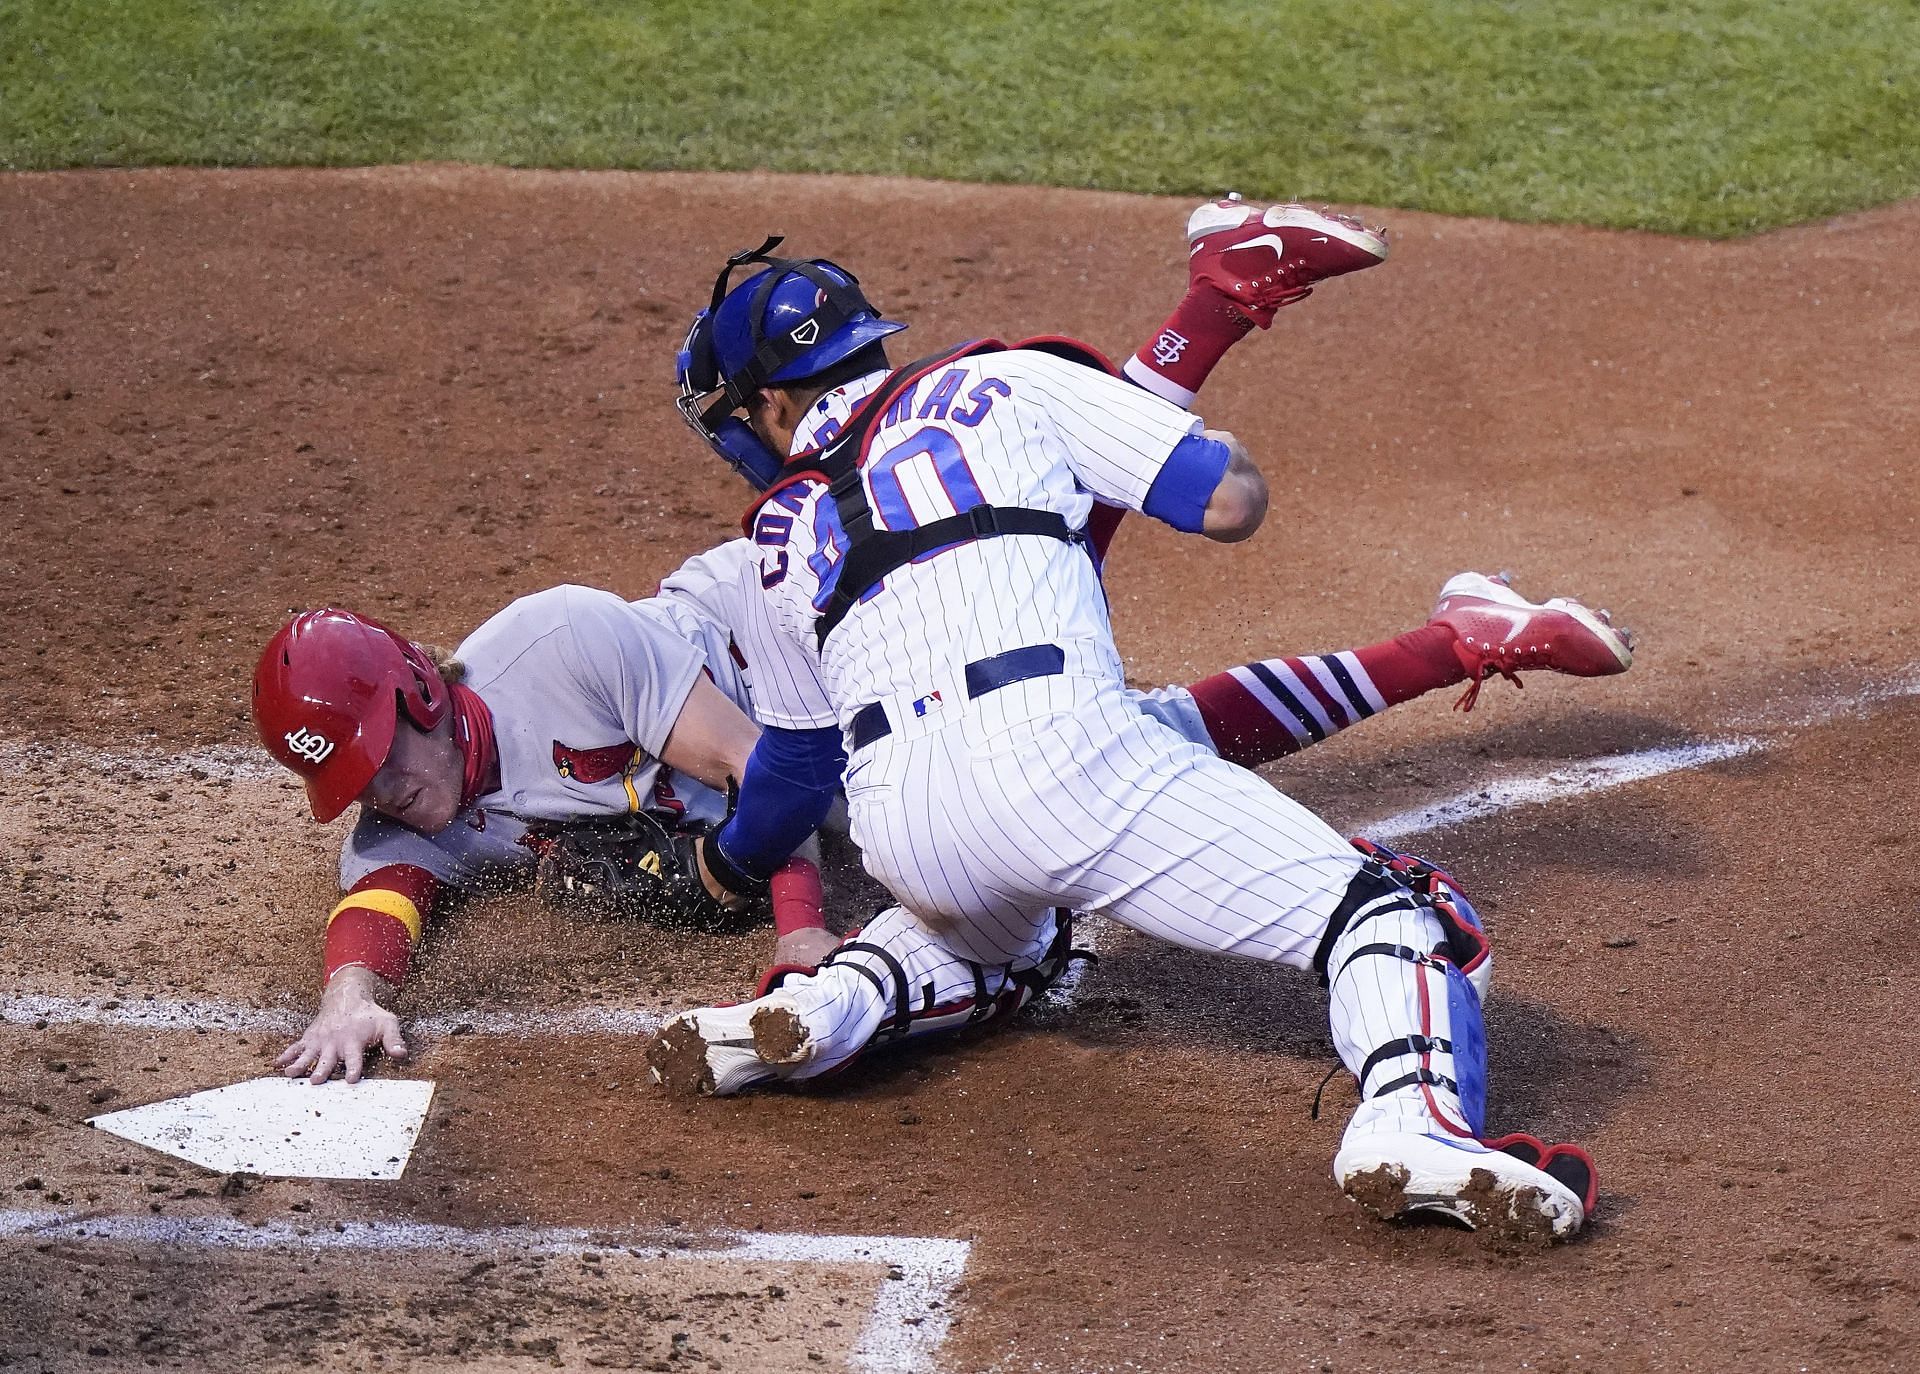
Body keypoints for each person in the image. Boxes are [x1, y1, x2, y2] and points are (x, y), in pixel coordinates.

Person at [651, 200, 1633, 1242]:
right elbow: (1226, 504)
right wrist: (1186, 446)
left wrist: (724, 870)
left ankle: (832, 1005)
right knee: (1387, 916)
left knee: (1008, 944)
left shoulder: (773, 534)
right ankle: (1415, 1127)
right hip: (1066, 762)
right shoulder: (1007, 379)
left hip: (907, 829)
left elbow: (799, 772)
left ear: (764, 406)